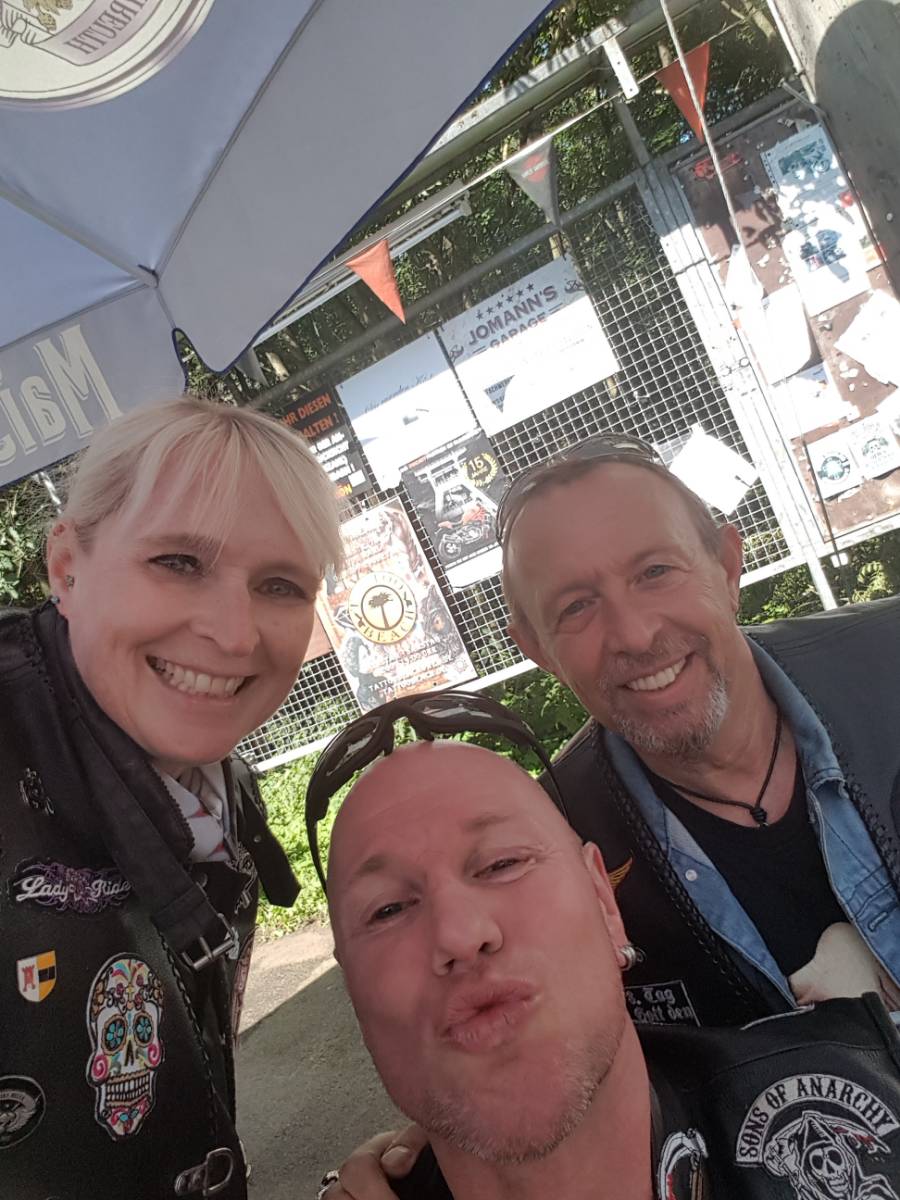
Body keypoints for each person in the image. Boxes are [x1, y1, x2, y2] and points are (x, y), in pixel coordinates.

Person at [318, 705, 900, 1200]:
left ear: (604, 901)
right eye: (386, 909)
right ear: (354, 989)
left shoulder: (870, 1089)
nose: (460, 935)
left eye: (501, 863)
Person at [0, 395, 342, 1199]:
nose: (235, 633)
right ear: (66, 566)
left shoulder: (217, 787)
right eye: (179, 563)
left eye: (281, 584)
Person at [497, 433, 900, 1028]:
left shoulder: (889, 663)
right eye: (576, 606)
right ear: (537, 650)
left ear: (728, 567)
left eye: (655, 571)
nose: (634, 634)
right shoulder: (549, 849)